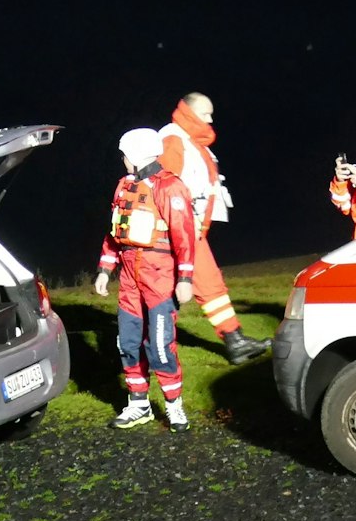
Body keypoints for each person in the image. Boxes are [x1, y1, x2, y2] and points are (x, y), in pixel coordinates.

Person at [96, 128, 199, 432]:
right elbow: (116, 231)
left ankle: (174, 406)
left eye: (125, 154)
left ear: (137, 155)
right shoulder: (124, 187)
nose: (123, 160)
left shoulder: (169, 188)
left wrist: (185, 278)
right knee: (127, 342)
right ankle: (138, 405)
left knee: (160, 346)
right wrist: (104, 269)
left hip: (160, 276)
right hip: (129, 276)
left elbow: (184, 235)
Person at [158, 92, 270, 366]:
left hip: (190, 229)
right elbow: (166, 185)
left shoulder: (192, 141)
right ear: (191, 113)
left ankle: (234, 340)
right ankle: (157, 347)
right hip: (177, 230)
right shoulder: (174, 139)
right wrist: (180, 225)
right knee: (185, 287)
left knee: (209, 284)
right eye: (206, 114)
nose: (210, 120)